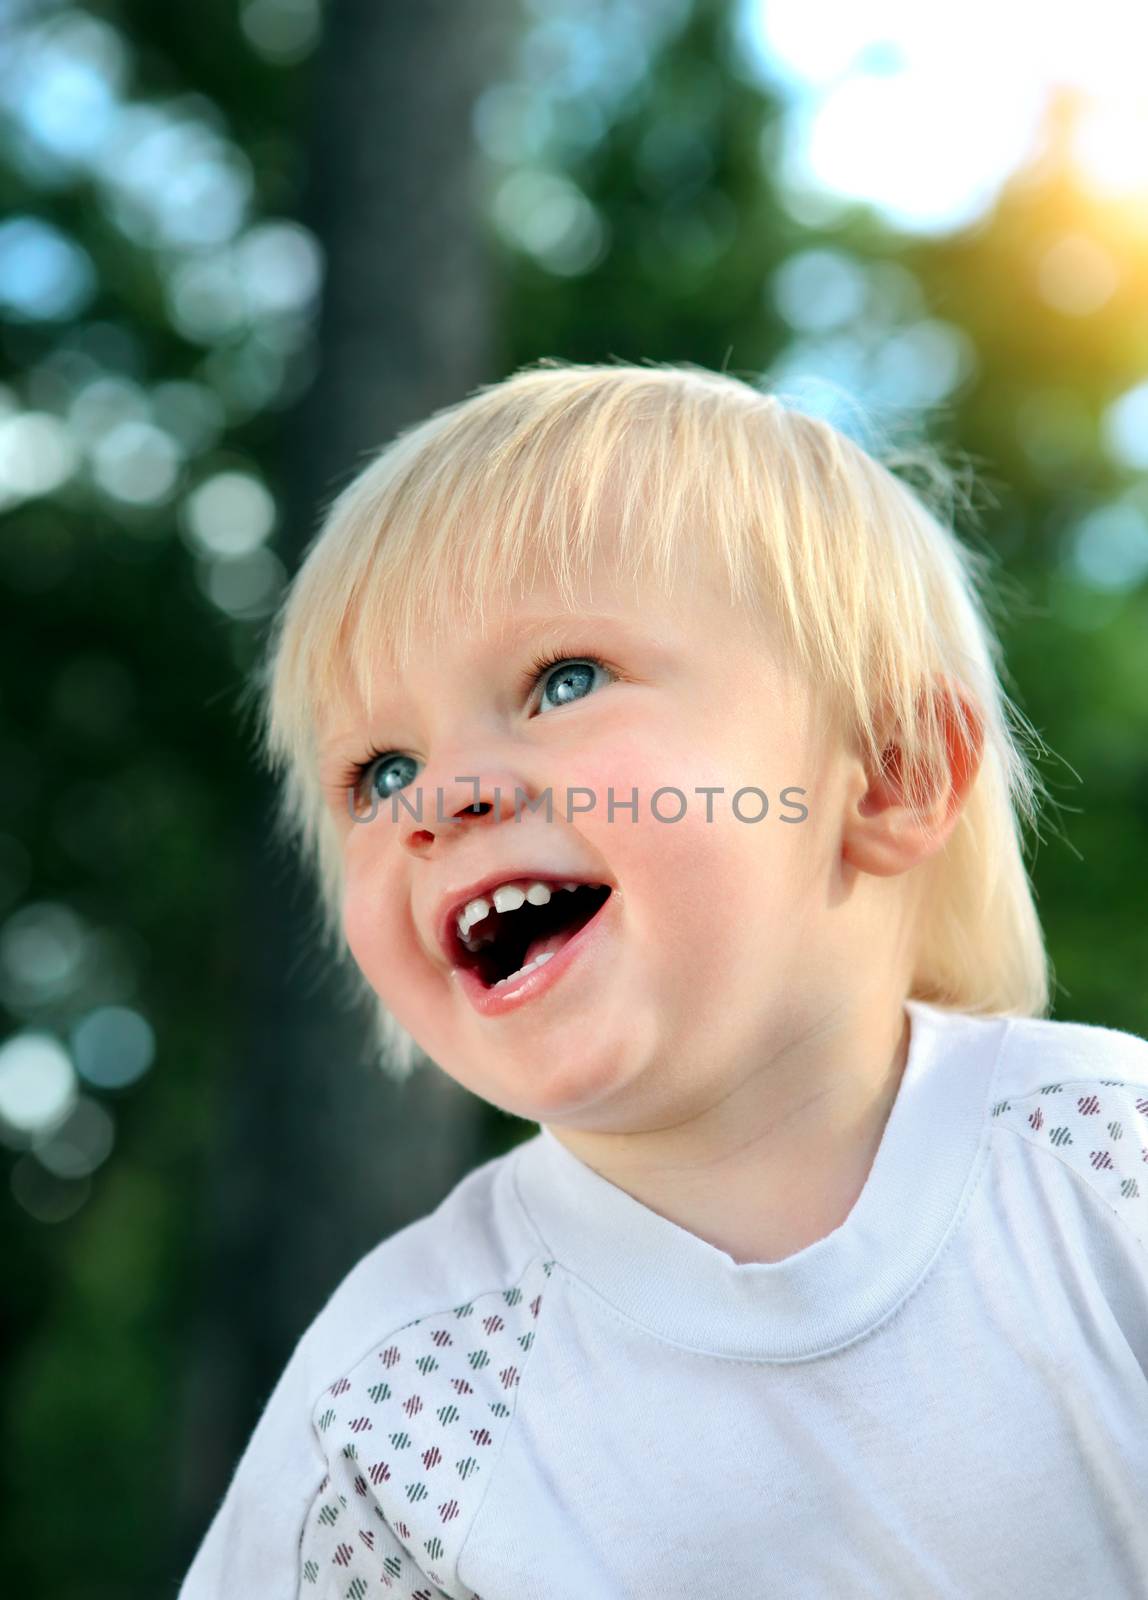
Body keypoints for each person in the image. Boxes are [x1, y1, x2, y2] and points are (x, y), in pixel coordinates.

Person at [178, 361, 1148, 1598]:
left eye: (562, 680)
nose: (434, 799)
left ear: (891, 770)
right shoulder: (399, 1394)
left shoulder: (1098, 1162)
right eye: (376, 772)